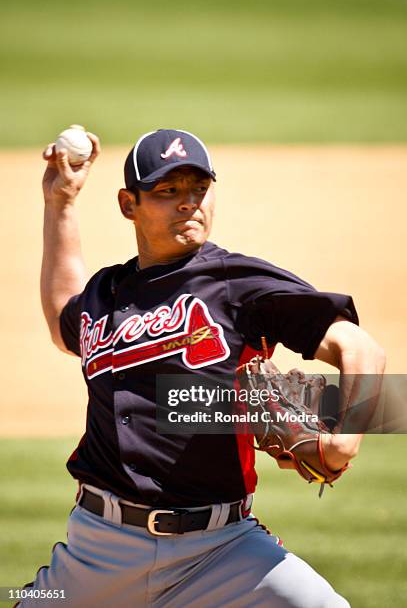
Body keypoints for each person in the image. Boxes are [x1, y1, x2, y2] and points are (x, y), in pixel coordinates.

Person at [21, 129, 385, 607]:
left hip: (222, 551)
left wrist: (343, 438)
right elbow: (61, 316)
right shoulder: (103, 293)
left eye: (198, 188)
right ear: (129, 204)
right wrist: (61, 203)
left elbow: (359, 347)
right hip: (97, 553)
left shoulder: (238, 281)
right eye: (167, 191)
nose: (188, 202)